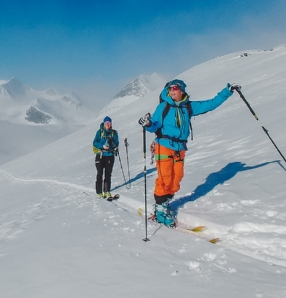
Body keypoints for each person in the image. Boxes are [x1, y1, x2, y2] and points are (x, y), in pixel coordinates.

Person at [138, 79, 240, 227]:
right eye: (169, 90)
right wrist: (147, 124)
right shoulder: (163, 106)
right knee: (165, 178)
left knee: (177, 178)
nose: (172, 92)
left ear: (182, 90)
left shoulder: (188, 107)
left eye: (174, 89)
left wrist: (228, 91)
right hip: (164, 145)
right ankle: (160, 210)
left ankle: (165, 202)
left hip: (180, 148)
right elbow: (154, 126)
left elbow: (210, 104)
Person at [93, 116, 120, 199]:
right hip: (100, 155)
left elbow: (117, 143)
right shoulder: (99, 132)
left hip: (110, 156)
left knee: (108, 174)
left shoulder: (114, 133)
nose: (107, 125)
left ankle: (107, 190)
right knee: (100, 173)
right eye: (106, 123)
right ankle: (99, 192)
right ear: (104, 124)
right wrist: (102, 146)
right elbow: (95, 142)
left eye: (109, 123)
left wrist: (111, 144)